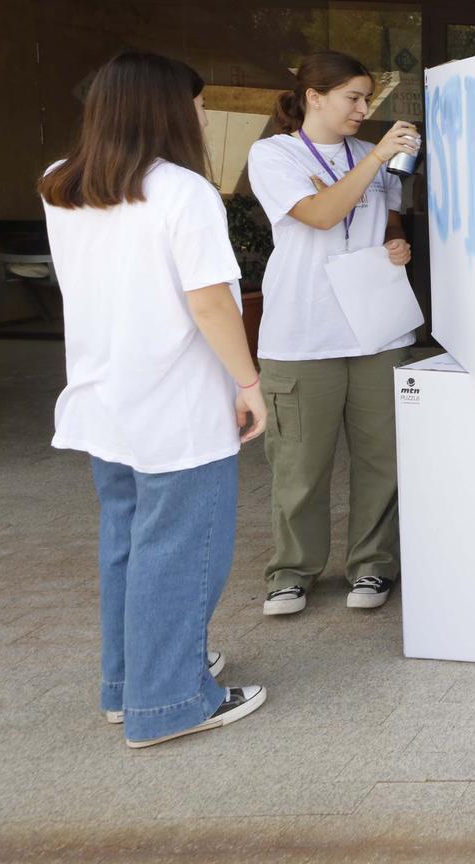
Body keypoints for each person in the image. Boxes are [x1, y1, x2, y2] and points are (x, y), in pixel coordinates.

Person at [41, 51, 269, 747]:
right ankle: (169, 700)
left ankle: (126, 686)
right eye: (198, 102)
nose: (203, 114)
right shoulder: (183, 191)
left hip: (103, 396)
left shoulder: (60, 183)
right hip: (177, 402)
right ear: (167, 107)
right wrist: (249, 382)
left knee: (129, 541)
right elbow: (208, 303)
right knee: (182, 548)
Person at [246, 52, 419, 617]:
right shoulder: (274, 154)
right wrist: (375, 157)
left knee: (382, 460)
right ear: (314, 96)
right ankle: (292, 571)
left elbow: (387, 215)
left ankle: (372, 567)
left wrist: (396, 242)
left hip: (375, 329)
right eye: (354, 97)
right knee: (299, 464)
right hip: (302, 333)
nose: (364, 109)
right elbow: (320, 214)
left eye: (368, 99)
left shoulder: (368, 156)